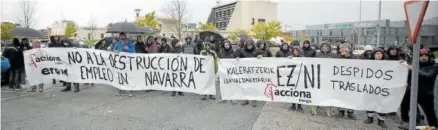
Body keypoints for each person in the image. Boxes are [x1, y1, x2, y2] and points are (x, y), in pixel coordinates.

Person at [399, 48, 438, 129]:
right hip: (412, 91)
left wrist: (414, 69)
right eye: (421, 56)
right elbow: (409, 76)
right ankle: (405, 121)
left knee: (430, 112)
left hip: (426, 93)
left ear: (429, 57)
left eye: (425, 56)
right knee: (404, 104)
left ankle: (434, 126)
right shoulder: (416, 64)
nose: (423, 57)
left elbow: (428, 75)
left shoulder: (434, 66)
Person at [363, 48, 388, 128]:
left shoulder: (387, 64)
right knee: (370, 103)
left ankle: (381, 120)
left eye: (380, 54)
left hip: (382, 88)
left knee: (382, 104)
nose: (379, 55)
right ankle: (370, 118)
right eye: (377, 54)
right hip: (371, 87)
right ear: (373, 55)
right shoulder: (369, 64)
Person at [237, 39, 263, 107]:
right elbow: (237, 56)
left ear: (252, 45)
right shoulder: (242, 50)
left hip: (254, 72)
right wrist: (237, 58)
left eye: (250, 45)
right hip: (245, 71)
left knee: (254, 86)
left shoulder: (256, 50)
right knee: (245, 85)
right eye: (248, 45)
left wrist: (260, 56)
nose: (249, 46)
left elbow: (263, 56)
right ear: (246, 45)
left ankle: (254, 99)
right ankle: (246, 99)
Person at [313, 41, 337, 116]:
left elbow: (337, 64)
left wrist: (332, 61)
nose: (324, 48)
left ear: (329, 47)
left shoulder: (333, 54)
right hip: (320, 76)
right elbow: (314, 63)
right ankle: (314, 109)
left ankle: (330, 110)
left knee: (330, 94)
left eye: (326, 46)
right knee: (317, 92)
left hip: (330, 77)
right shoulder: (318, 54)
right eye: (323, 47)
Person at [336, 43, 358, 120]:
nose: (340, 50)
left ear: (347, 49)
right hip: (341, 81)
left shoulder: (355, 58)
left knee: (351, 97)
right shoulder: (339, 58)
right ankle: (341, 111)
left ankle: (350, 112)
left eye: (341, 48)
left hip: (351, 81)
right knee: (340, 96)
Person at [113, 32, 136, 97]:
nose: (121, 37)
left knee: (129, 76)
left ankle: (131, 90)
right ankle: (121, 90)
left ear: (125, 36)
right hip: (120, 63)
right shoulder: (118, 43)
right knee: (120, 76)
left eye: (123, 36)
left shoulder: (129, 43)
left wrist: (128, 49)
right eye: (120, 36)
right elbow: (114, 50)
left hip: (129, 63)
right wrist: (115, 51)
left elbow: (134, 51)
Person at [219, 40, 237, 104]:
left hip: (231, 71)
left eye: (228, 45)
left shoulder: (233, 52)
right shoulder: (221, 52)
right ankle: (224, 98)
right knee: (224, 85)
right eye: (225, 45)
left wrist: (237, 59)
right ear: (224, 45)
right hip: (223, 71)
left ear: (230, 45)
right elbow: (219, 61)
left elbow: (236, 61)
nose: (227, 46)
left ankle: (232, 98)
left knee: (231, 85)